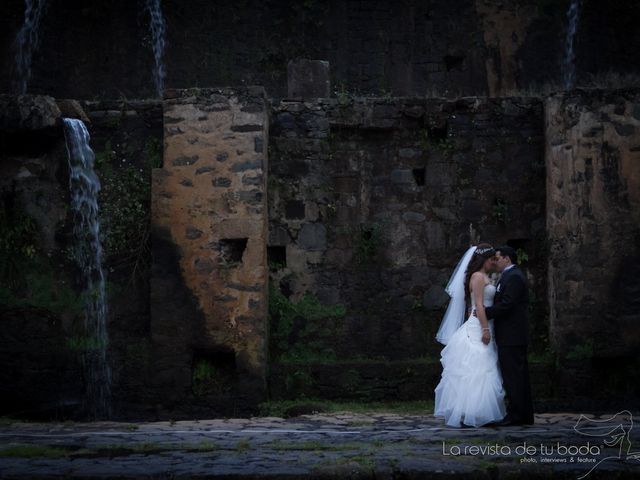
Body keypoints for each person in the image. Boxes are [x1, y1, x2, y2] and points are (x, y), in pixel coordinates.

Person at [433, 243, 507, 428]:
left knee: (483, 367)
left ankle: (480, 412)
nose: (493, 263)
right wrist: (485, 330)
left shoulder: (484, 276)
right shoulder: (477, 277)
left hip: (482, 321)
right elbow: (479, 306)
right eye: (491, 259)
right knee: (477, 367)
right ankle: (471, 412)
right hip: (479, 326)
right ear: (484, 259)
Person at [484, 246, 535, 426]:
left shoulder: (513, 277)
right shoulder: (509, 275)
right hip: (510, 334)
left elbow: (508, 305)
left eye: (497, 258)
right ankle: (520, 413)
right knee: (514, 375)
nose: (495, 262)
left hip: (512, 335)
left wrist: (484, 312)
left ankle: (518, 415)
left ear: (507, 259)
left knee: (514, 375)